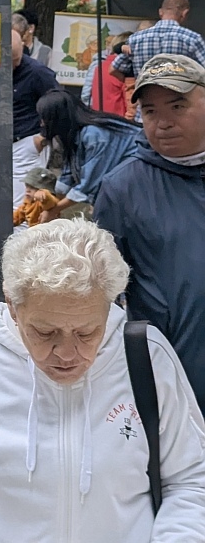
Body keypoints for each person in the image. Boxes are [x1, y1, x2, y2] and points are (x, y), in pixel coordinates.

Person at [0, 221, 205, 542]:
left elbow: (191, 479)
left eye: (87, 332)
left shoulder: (146, 356)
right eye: (45, 332)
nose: (67, 353)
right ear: (13, 306)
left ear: (111, 306)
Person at [95, 53, 205, 414]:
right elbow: (102, 295)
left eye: (178, 106)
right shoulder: (122, 190)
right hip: (176, 383)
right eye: (150, 111)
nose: (164, 122)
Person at [35, 87, 141, 219]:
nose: (42, 124)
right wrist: (49, 202)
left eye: (45, 118)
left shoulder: (95, 135)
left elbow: (89, 184)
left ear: (58, 118)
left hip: (138, 183)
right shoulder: (73, 134)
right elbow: (68, 175)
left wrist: (53, 210)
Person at [10, 28, 60, 208]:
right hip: (0, 141)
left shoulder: (37, 72)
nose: (15, 65)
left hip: (26, 141)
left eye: (17, 59)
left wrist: (43, 137)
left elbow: (58, 104)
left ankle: (23, 226)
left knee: (23, 201)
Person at [112, 0, 205, 80]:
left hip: (146, 91)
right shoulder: (192, 39)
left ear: (160, 12)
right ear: (185, 13)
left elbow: (113, 69)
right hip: (180, 91)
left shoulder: (135, 39)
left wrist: (137, 84)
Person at [80, 32, 131, 115]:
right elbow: (129, 102)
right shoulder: (123, 68)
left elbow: (87, 94)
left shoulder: (99, 67)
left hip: (99, 116)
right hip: (119, 118)